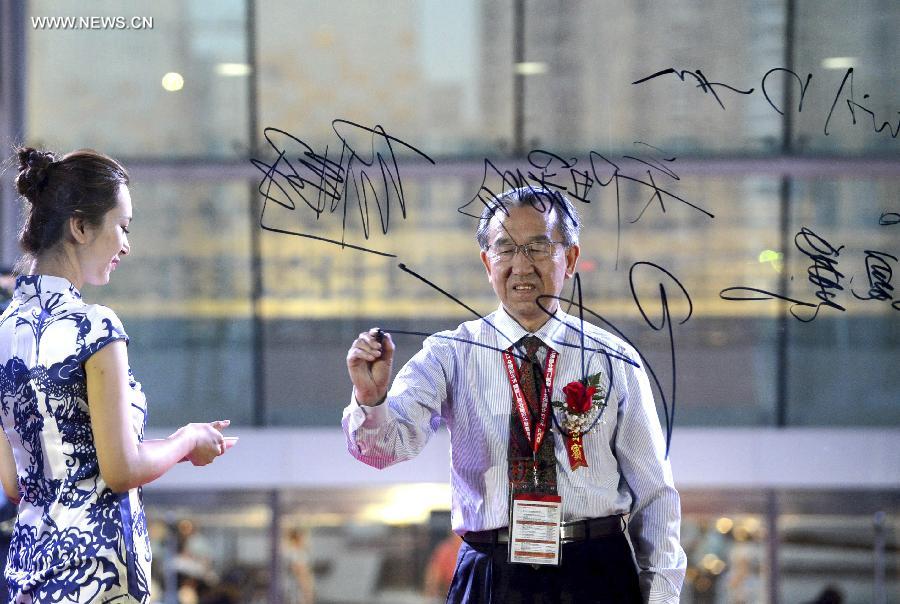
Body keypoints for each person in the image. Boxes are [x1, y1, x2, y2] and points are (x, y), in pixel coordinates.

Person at [343, 186, 686, 603]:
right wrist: (371, 400)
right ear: (488, 263)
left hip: (596, 571)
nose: (521, 266)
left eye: (539, 247)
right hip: (490, 573)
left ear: (571, 258)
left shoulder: (614, 360)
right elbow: (382, 452)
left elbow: (654, 493)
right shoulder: (449, 354)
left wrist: (662, 597)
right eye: (505, 249)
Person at [0, 147, 236, 603]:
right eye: (122, 227)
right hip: (97, 572)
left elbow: (14, 484)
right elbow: (121, 468)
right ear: (81, 226)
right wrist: (187, 440)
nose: (126, 244)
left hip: (27, 572)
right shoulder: (95, 325)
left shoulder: (3, 331)